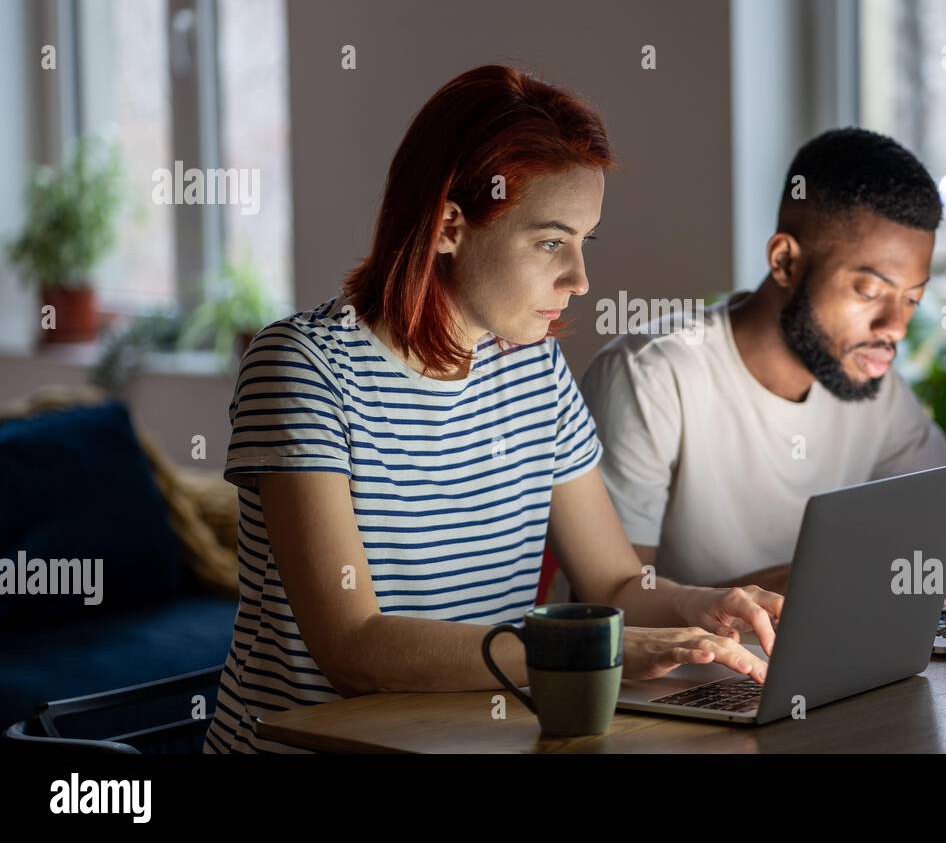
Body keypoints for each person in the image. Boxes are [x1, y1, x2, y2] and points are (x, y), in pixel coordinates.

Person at [204, 65, 781, 753]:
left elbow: (615, 581)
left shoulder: (532, 367)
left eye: (583, 243)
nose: (580, 279)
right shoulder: (303, 366)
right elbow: (353, 649)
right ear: (449, 227)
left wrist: (700, 607)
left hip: (470, 742)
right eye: (549, 242)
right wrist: (601, 650)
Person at [581, 127, 946, 596]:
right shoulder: (652, 374)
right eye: (870, 291)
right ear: (784, 261)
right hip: (692, 670)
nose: (894, 326)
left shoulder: (867, 380)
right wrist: (820, 582)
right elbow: (613, 606)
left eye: (912, 299)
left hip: (825, 661)